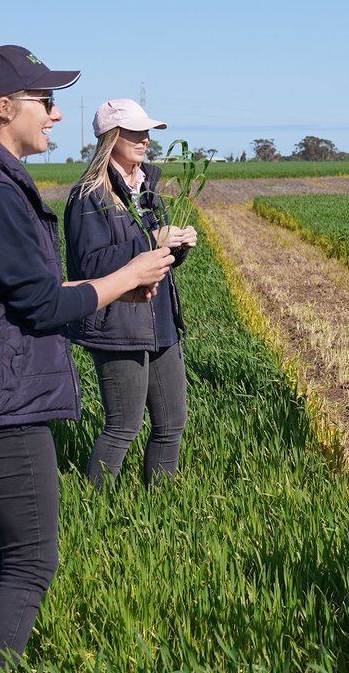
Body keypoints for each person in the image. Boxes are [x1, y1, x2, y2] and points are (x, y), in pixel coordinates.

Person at [0, 46, 174, 669]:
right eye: (46, 102)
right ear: (6, 109)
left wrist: (122, 283)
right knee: (30, 562)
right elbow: (43, 305)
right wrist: (125, 275)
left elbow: (25, 294)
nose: (55, 114)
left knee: (6, 553)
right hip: (0, 399)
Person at [65, 99, 197, 488]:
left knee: (172, 422)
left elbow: (155, 259)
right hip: (116, 322)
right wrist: (151, 238)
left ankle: (160, 509)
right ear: (111, 136)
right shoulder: (88, 196)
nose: (145, 140)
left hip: (159, 319)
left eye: (147, 132)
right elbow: (91, 266)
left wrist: (176, 247)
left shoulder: (149, 189)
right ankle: (94, 511)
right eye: (136, 132)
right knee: (124, 426)